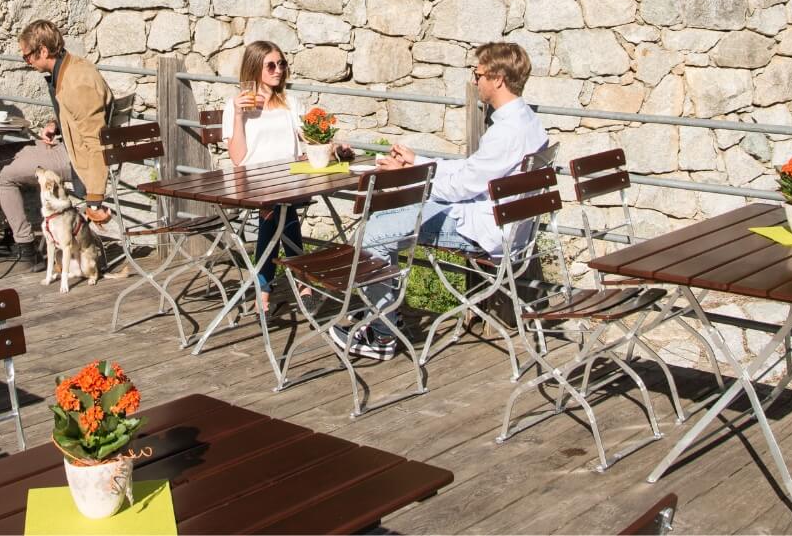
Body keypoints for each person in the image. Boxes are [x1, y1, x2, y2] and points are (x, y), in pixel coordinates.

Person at [333, 41, 549, 361]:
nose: (475, 81)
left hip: (481, 228)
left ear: (498, 79)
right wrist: (417, 162)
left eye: (478, 74)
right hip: (492, 218)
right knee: (382, 222)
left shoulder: (507, 132)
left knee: (372, 236)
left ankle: (382, 333)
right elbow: (472, 171)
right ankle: (388, 316)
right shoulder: (527, 122)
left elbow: (460, 187)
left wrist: (408, 176)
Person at [0, 20, 114, 260]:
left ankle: (25, 247)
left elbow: (97, 144)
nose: (27, 62)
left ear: (43, 50)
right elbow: (78, 116)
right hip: (69, 145)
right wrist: (56, 125)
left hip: (77, 157)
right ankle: (13, 231)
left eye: (28, 57)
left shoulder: (77, 82)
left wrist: (94, 199)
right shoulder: (70, 68)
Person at [221, 40, 305, 311]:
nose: (278, 70)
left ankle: (264, 289)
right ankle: (300, 280)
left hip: (288, 180)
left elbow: (308, 139)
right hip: (253, 182)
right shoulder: (237, 105)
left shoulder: (290, 103)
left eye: (282, 64)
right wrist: (237, 115)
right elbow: (237, 159)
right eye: (271, 65)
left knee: (280, 209)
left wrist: (330, 145)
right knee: (277, 210)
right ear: (255, 68)